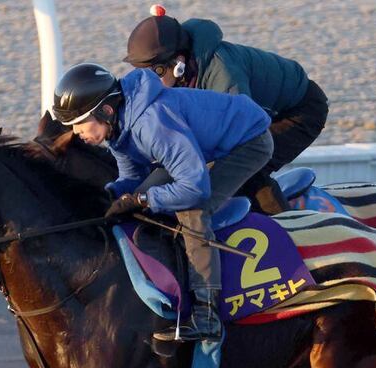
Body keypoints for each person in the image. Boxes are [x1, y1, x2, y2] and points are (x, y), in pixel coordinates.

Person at [51, 63, 273, 342]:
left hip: (248, 142)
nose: (75, 133)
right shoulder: (118, 128)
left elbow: (195, 188)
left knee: (192, 210)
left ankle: (207, 314)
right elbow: (132, 178)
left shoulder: (150, 124)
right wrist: (107, 197)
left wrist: (143, 199)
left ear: (105, 111)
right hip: (202, 145)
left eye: (79, 124)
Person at [123, 6, 329, 215]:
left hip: (300, 111)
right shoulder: (181, 73)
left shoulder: (223, 72)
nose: (148, 81)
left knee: (245, 171)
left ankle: (286, 230)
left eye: (155, 72)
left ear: (179, 62)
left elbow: (243, 130)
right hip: (262, 112)